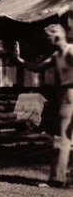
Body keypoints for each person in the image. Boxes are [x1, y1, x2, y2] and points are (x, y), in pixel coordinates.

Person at [14, 23, 73, 188]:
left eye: (48, 38)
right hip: (65, 94)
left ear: (57, 36)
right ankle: (58, 177)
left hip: (70, 95)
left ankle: (57, 179)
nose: (47, 42)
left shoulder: (70, 51)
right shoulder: (57, 55)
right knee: (64, 137)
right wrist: (19, 60)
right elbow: (37, 68)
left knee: (62, 138)